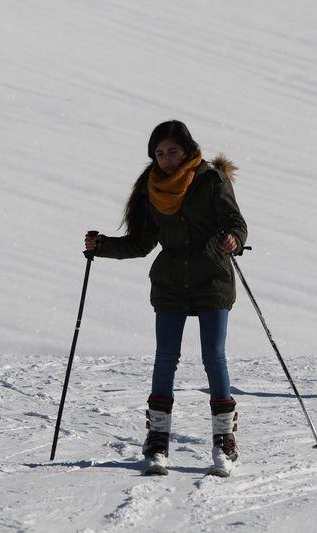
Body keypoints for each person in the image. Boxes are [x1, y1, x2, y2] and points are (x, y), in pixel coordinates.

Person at [84, 120, 248, 472]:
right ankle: (157, 440)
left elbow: (236, 222)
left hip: (212, 278)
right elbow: (141, 242)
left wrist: (233, 239)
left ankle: (224, 441)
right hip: (171, 281)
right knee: (165, 358)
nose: (166, 159)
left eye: (172, 151)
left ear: (187, 149)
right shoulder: (151, 187)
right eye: (159, 153)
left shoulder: (210, 180)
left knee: (213, 357)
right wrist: (103, 247)